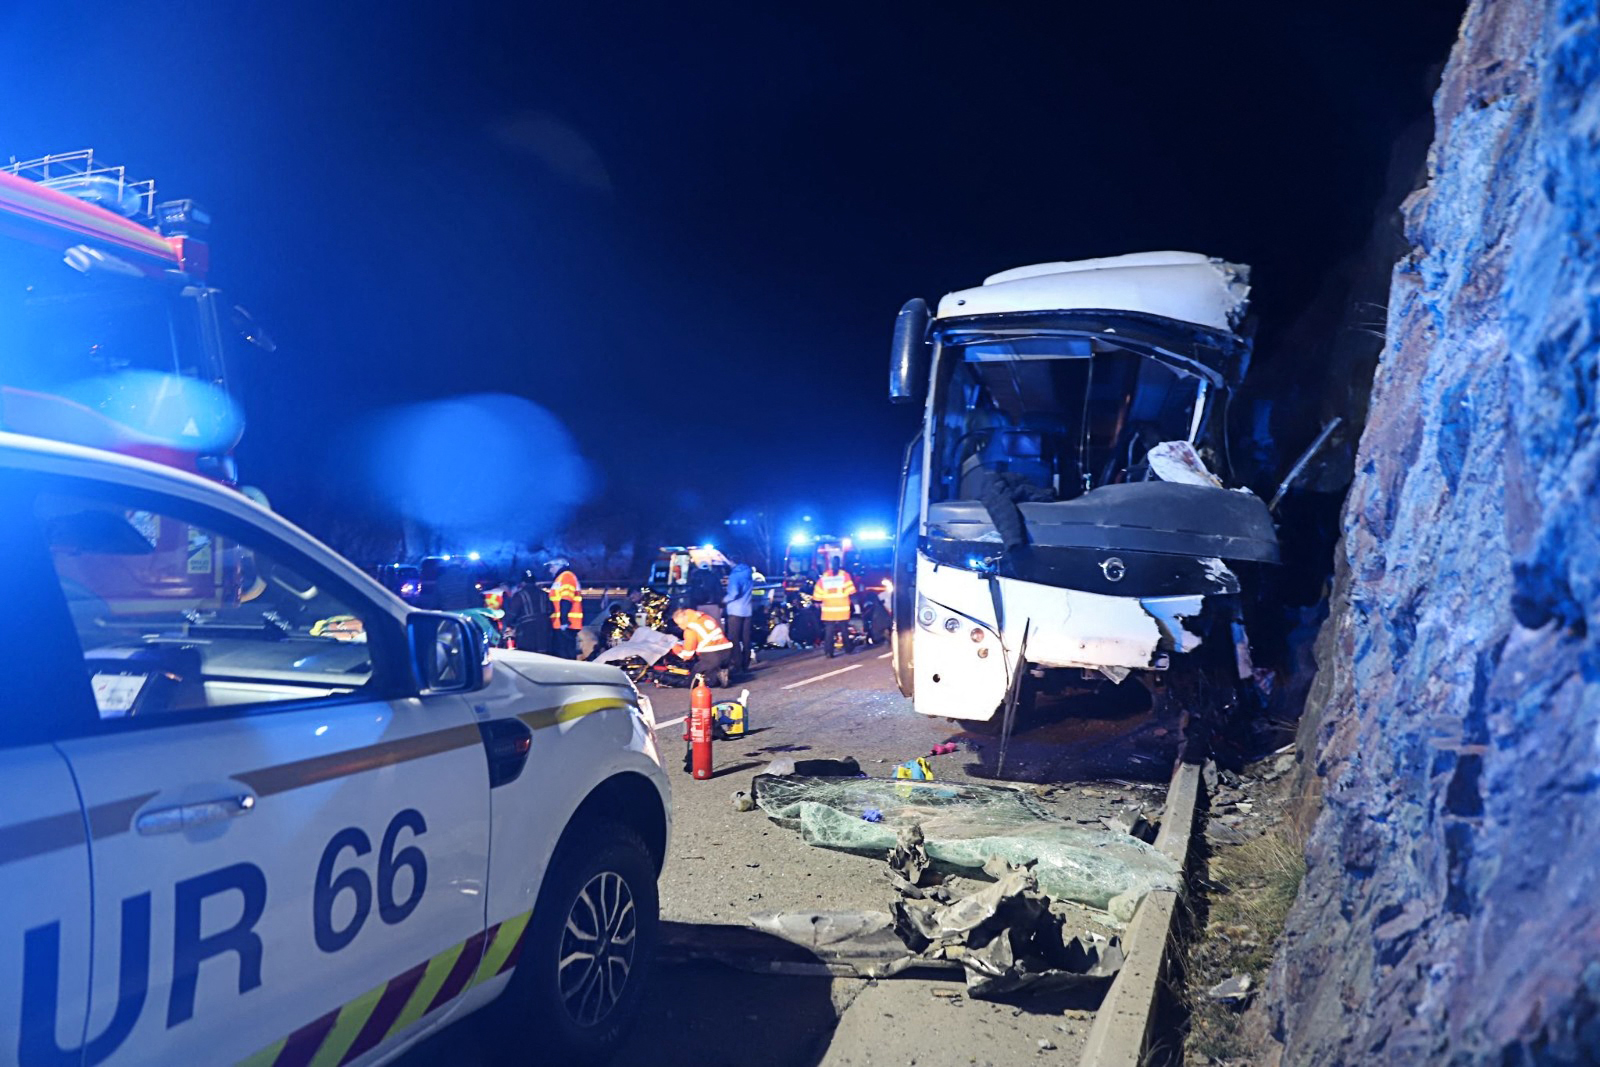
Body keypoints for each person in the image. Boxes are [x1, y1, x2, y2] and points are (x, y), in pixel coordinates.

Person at [669, 607, 734, 687]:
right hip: (727, 652)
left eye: (679, 624)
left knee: (693, 680)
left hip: (711, 655)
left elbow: (688, 655)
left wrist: (676, 649)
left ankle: (717, 677)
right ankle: (721, 672)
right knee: (710, 669)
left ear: (683, 621)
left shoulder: (690, 628)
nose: (680, 627)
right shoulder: (705, 617)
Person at [811, 556, 856, 658]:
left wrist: (818, 601)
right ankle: (848, 648)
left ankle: (829, 652)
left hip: (828, 608)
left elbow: (818, 592)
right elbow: (851, 590)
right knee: (844, 629)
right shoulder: (845, 575)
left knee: (829, 631)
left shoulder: (825, 576)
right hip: (842, 607)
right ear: (839, 563)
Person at [503, 570, 551, 654]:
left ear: (522, 582)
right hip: (544, 629)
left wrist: (508, 625)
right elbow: (551, 610)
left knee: (528, 654)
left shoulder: (519, 595)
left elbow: (512, 613)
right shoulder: (545, 594)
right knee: (544, 654)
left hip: (526, 631)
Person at [546, 558, 583, 660]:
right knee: (564, 654)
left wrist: (564, 621)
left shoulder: (566, 576)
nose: (550, 570)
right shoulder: (563, 578)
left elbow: (566, 599)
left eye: (551, 567)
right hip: (562, 624)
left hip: (565, 624)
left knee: (564, 655)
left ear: (559, 566)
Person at [722, 559, 754, 678]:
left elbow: (734, 593)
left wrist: (723, 600)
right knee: (746, 639)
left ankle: (737, 665)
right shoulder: (748, 572)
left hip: (735, 611)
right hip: (747, 610)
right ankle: (746, 663)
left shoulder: (735, 575)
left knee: (733, 639)